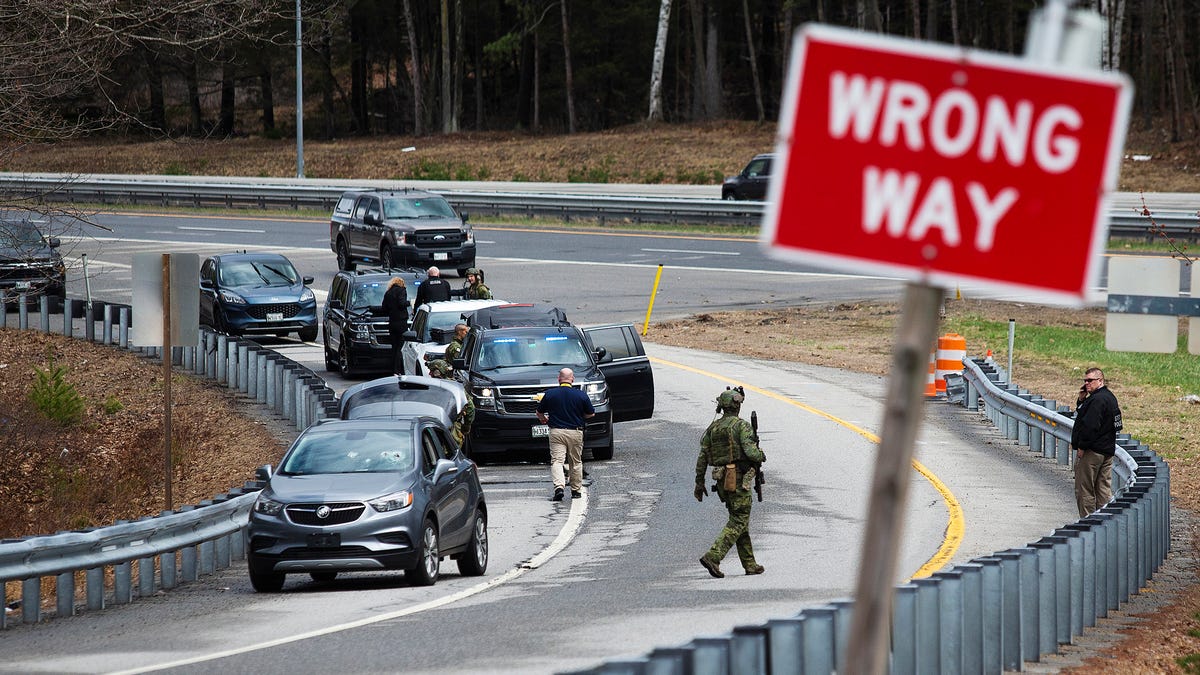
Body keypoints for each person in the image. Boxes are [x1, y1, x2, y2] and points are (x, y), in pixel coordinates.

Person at [694, 387, 766, 578]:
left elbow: (702, 457)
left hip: (722, 483)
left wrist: (699, 483)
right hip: (739, 479)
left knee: (739, 519)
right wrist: (761, 456)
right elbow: (751, 452)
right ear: (736, 405)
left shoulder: (713, 428)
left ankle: (749, 564)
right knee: (739, 519)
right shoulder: (741, 426)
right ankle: (713, 556)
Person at [536, 367, 594, 501]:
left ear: (559, 379)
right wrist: (579, 416)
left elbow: (539, 412)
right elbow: (591, 413)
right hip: (575, 432)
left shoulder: (550, 394)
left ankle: (559, 488)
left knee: (557, 461)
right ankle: (576, 491)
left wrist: (544, 420)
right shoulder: (581, 395)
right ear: (572, 379)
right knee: (576, 461)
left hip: (556, 432)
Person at [1071, 367, 1123, 518]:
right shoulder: (1109, 397)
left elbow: (1090, 426)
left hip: (1092, 452)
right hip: (1107, 450)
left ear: (1100, 380)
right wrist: (1081, 400)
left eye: (1090, 380)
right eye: (1085, 380)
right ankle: (1106, 523)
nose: (1087, 383)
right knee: (1103, 490)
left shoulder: (1097, 400)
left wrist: (1081, 446)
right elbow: (1116, 424)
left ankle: (1088, 523)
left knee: (1084, 489)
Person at [427, 359, 474, 451]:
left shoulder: (430, 387)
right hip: (449, 429)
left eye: (431, 371)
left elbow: (469, 407)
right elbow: (470, 408)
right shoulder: (454, 387)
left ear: (437, 372)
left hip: (438, 428)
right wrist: (466, 427)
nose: (429, 374)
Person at [380, 276, 409, 376]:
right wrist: (409, 303)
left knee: (394, 347)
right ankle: (399, 369)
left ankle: (393, 369)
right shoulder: (401, 290)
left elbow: (384, 308)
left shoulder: (388, 293)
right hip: (401, 322)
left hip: (392, 322)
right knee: (401, 347)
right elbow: (401, 304)